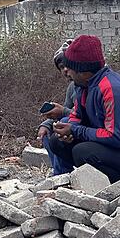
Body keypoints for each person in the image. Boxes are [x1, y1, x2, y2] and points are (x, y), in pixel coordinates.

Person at [46, 35, 120, 183]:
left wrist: (75, 130)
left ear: (83, 72)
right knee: (57, 142)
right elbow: (76, 117)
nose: (67, 72)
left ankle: (111, 186)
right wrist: (67, 132)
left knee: (83, 152)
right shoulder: (83, 86)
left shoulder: (113, 89)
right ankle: (65, 181)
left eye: (70, 68)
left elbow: (118, 138)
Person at [38, 40, 77, 175]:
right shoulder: (72, 88)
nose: (65, 70)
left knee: (63, 124)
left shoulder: (94, 85)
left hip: (92, 133)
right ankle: (61, 174)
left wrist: (63, 113)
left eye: (68, 65)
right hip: (78, 129)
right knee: (48, 132)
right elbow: (67, 109)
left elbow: (89, 115)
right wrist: (46, 124)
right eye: (61, 67)